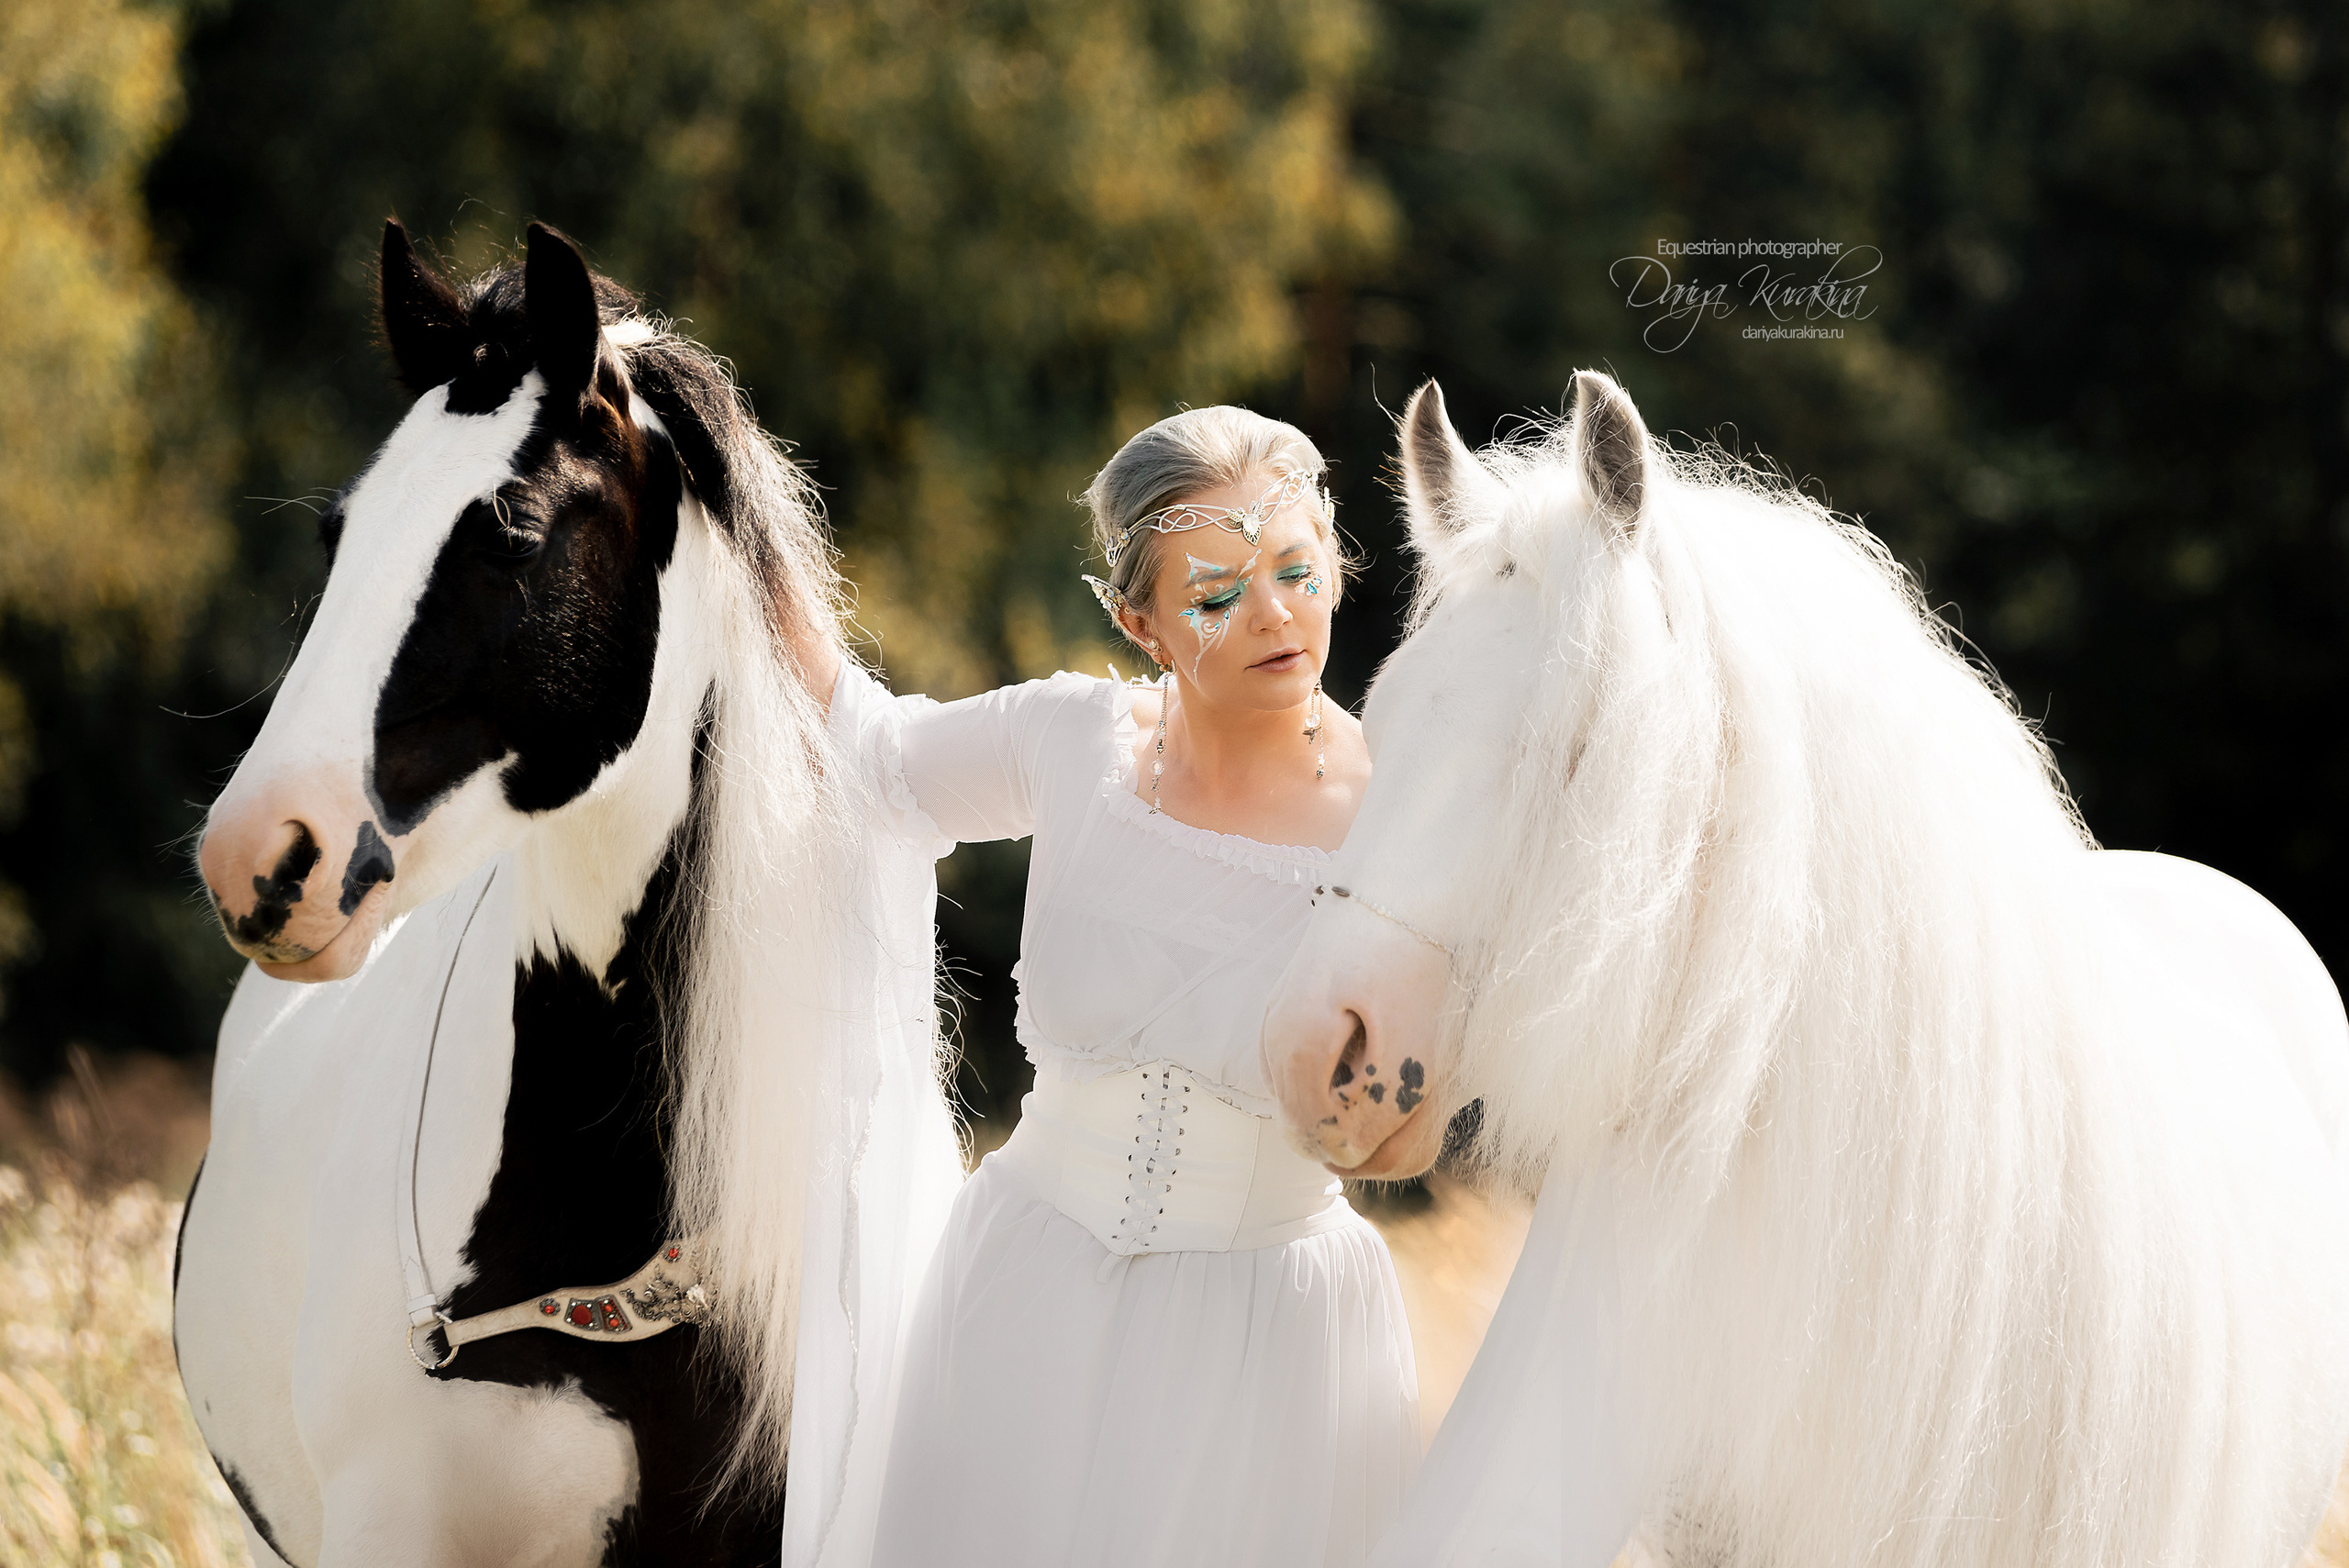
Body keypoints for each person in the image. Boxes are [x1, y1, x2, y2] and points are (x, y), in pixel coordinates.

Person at [802, 406, 1421, 1567]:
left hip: (1266, 1348)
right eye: (1217, 592)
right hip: (1020, 1303)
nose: (1275, 613)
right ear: (1140, 621)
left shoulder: (1405, 821)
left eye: (1296, 569)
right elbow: (864, 755)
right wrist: (722, 504)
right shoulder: (1071, 742)